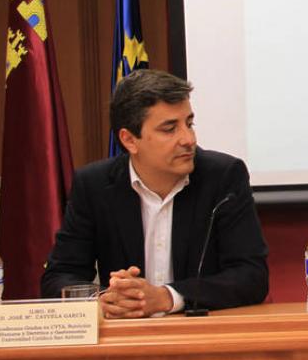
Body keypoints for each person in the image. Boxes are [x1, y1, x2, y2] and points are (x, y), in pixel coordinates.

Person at [41, 69, 269, 317]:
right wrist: (105, 300)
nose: (188, 139)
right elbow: (59, 276)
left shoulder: (223, 177)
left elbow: (251, 276)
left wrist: (167, 297)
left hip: (200, 332)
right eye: (170, 129)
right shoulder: (94, 185)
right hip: (126, 335)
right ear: (130, 140)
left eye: (189, 124)